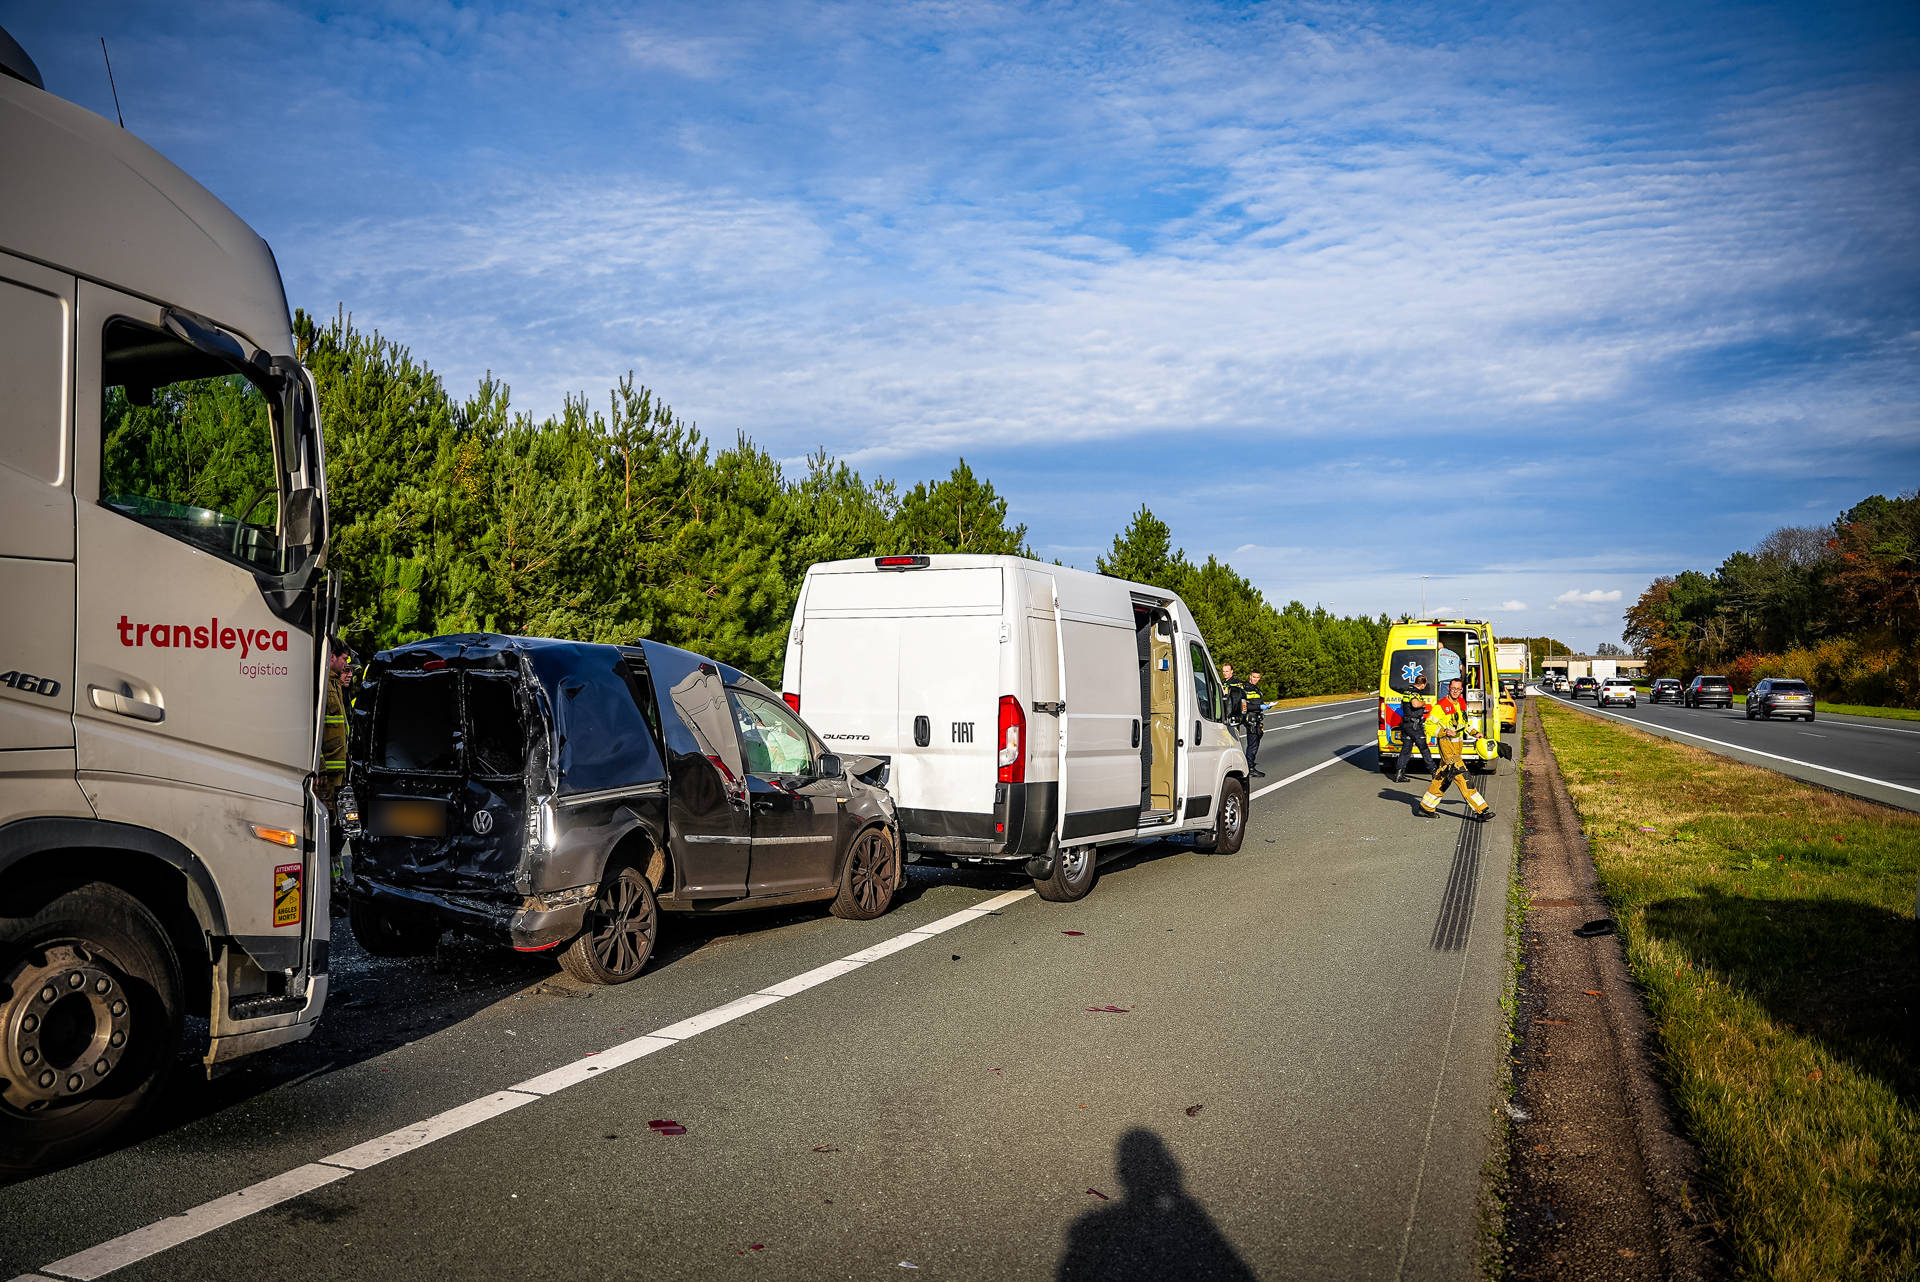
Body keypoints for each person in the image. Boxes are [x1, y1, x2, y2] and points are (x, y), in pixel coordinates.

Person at [1418, 677, 1493, 821]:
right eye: (1453, 688)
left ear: (1461, 690)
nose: (1455, 691)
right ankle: (1481, 810)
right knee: (1464, 777)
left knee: (1442, 778)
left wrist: (1475, 733)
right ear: (1448, 688)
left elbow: (1464, 724)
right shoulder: (1440, 707)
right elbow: (1428, 726)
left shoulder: (1460, 704)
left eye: (1458, 689)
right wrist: (1444, 731)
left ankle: (1425, 807)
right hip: (1447, 747)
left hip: (1457, 747)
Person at [1391, 671, 1435, 783]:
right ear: (1423, 684)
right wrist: (1423, 703)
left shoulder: (1407, 691)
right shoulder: (1414, 692)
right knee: (1424, 749)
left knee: (1406, 749)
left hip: (1406, 724)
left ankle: (1399, 774)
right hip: (1414, 726)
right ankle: (1434, 773)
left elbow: (1403, 705)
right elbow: (1415, 704)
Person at [1241, 670, 1266, 776]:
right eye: (1254, 677)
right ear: (1249, 676)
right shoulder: (1245, 689)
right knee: (1253, 744)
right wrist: (1259, 707)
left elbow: (1259, 702)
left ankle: (1249, 763)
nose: (1255, 679)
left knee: (1256, 741)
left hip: (1256, 718)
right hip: (1250, 719)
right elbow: (1244, 706)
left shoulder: (1256, 689)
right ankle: (1249, 768)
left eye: (1257, 678)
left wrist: (1265, 705)